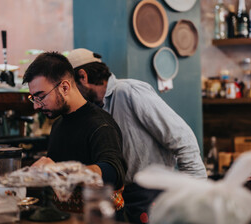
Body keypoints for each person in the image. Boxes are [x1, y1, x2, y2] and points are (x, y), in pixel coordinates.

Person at [67, 48, 207, 224]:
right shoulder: (95, 109)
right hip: (124, 198)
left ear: (83, 77)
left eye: (71, 85)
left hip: (154, 194)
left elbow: (184, 141)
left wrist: (196, 198)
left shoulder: (129, 91)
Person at [22, 51, 127, 219]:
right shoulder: (58, 124)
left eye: (40, 97)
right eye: (33, 98)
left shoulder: (100, 124)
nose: (36, 106)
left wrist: (62, 170)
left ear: (65, 87)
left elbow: (113, 171)